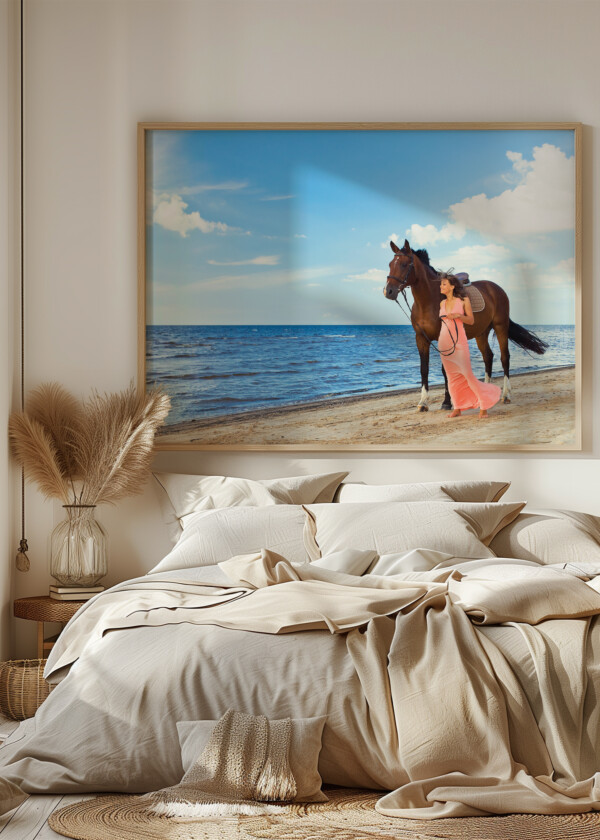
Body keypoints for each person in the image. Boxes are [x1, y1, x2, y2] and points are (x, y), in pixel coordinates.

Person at [438, 272, 501, 420]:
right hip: (444, 342)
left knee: (468, 375)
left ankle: (484, 406)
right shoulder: (442, 303)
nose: (441, 286)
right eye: (441, 284)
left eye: (444, 284)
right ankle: (457, 407)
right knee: (452, 377)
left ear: (452, 287)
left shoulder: (464, 301)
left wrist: (459, 316)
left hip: (460, 342)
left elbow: (471, 320)